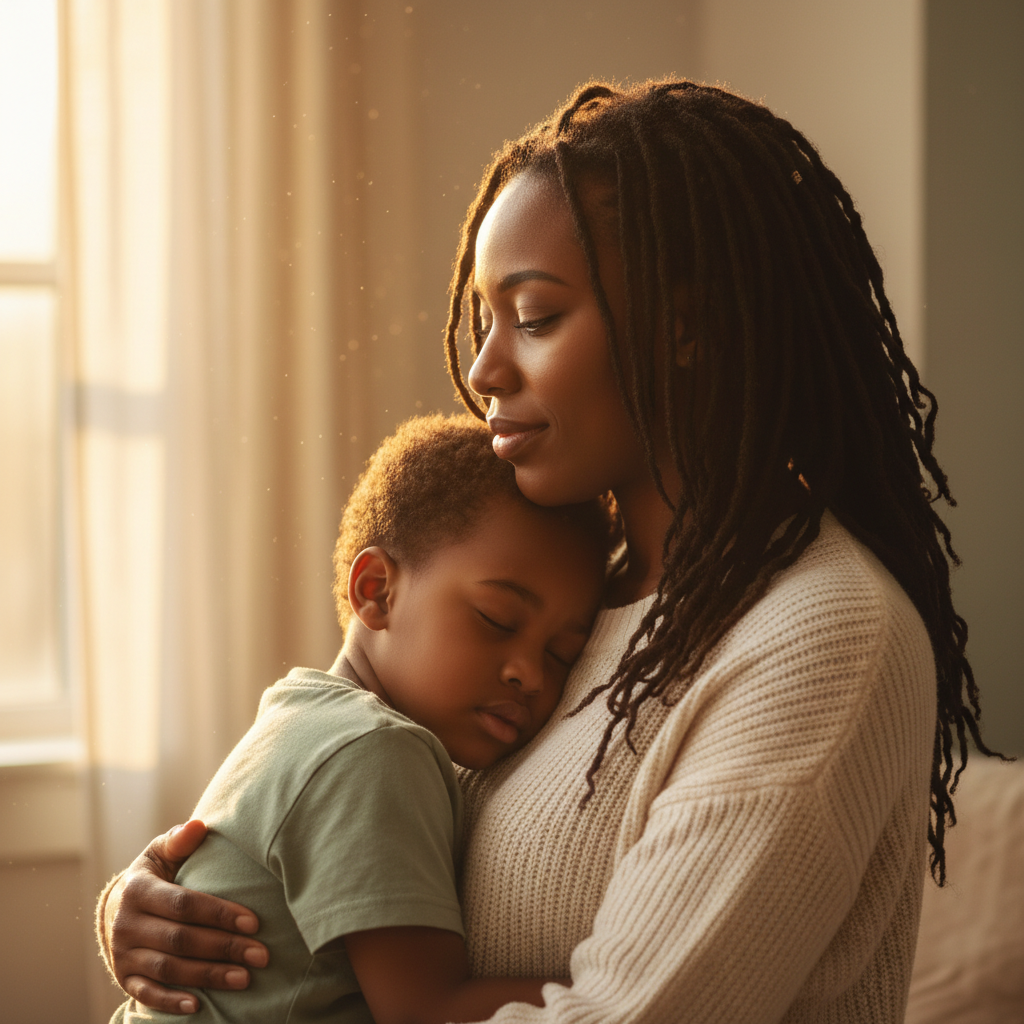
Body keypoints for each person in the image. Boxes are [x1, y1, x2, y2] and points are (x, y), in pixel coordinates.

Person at [98, 81, 1000, 1023]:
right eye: (487, 320)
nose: (484, 369)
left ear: (685, 328)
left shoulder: (821, 636)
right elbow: (351, 842)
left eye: (532, 317)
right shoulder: (580, 608)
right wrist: (168, 907)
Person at [107, 414, 614, 1023]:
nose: (531, 674)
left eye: (562, 653)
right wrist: (630, 982)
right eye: (498, 619)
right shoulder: (372, 751)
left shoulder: (302, 716)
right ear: (376, 591)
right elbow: (427, 1010)